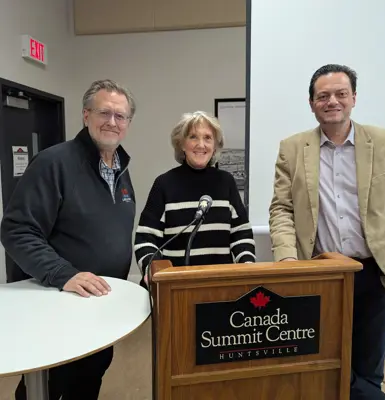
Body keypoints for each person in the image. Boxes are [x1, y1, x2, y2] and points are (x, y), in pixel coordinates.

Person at [269, 64, 385, 399]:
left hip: (378, 272)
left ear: (353, 98)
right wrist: (286, 259)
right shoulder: (292, 148)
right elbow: (282, 207)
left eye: (341, 93)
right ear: (311, 103)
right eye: (323, 96)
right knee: (320, 361)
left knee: (368, 366)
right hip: (321, 274)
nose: (332, 101)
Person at [1, 79, 136, 400]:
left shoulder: (120, 167)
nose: (112, 122)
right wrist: (65, 274)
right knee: (47, 386)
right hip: (57, 304)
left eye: (121, 116)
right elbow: (17, 230)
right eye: (104, 112)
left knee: (90, 376)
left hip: (99, 304)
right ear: (85, 115)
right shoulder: (54, 163)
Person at [134, 111, 256, 282]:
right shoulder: (164, 184)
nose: (201, 144)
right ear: (182, 144)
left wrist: (247, 264)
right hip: (175, 289)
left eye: (207, 138)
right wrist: (152, 270)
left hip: (220, 288)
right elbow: (145, 238)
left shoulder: (225, 182)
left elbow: (240, 233)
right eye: (193, 137)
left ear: (215, 146)